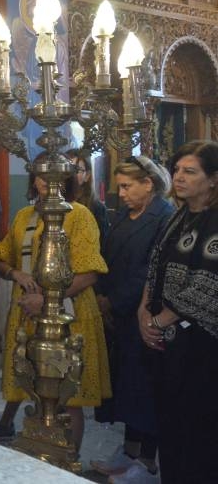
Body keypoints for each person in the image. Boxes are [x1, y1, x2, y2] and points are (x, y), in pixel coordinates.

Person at [0, 158, 110, 449]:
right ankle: (38, 452)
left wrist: (47, 300)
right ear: (34, 180)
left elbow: (89, 272)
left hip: (68, 317)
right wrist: (16, 273)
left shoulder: (79, 215)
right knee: (33, 388)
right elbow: (0, 258)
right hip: (27, 316)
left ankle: (69, 462)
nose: (46, 181)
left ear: (67, 181)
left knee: (66, 393)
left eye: (54, 176)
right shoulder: (24, 216)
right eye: (40, 175)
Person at [138, 140, 218, 484]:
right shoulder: (180, 216)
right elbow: (155, 265)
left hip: (201, 347)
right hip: (166, 341)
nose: (179, 178)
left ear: (213, 179)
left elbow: (207, 284)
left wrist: (157, 321)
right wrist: (143, 312)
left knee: (197, 432)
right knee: (169, 424)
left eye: (190, 171)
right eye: (176, 171)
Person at [92, 156, 173, 484]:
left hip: (142, 312)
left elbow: (150, 269)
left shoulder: (163, 217)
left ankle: (147, 461)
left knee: (145, 389)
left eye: (127, 186)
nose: (121, 193)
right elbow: (108, 255)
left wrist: (116, 300)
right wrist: (101, 295)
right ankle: (127, 451)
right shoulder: (126, 215)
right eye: (119, 187)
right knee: (127, 387)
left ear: (148, 185)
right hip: (116, 313)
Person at [67, 148, 109, 246]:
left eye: (77, 170)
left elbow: (103, 244)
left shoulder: (96, 207)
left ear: (87, 175)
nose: (71, 175)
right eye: (68, 168)